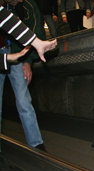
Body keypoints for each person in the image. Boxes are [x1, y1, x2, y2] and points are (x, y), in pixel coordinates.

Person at [0, 0, 55, 152]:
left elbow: (30, 29)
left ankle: (36, 143)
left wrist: (27, 60)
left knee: (24, 100)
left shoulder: (26, 6)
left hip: (16, 53)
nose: (18, 0)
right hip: (5, 54)